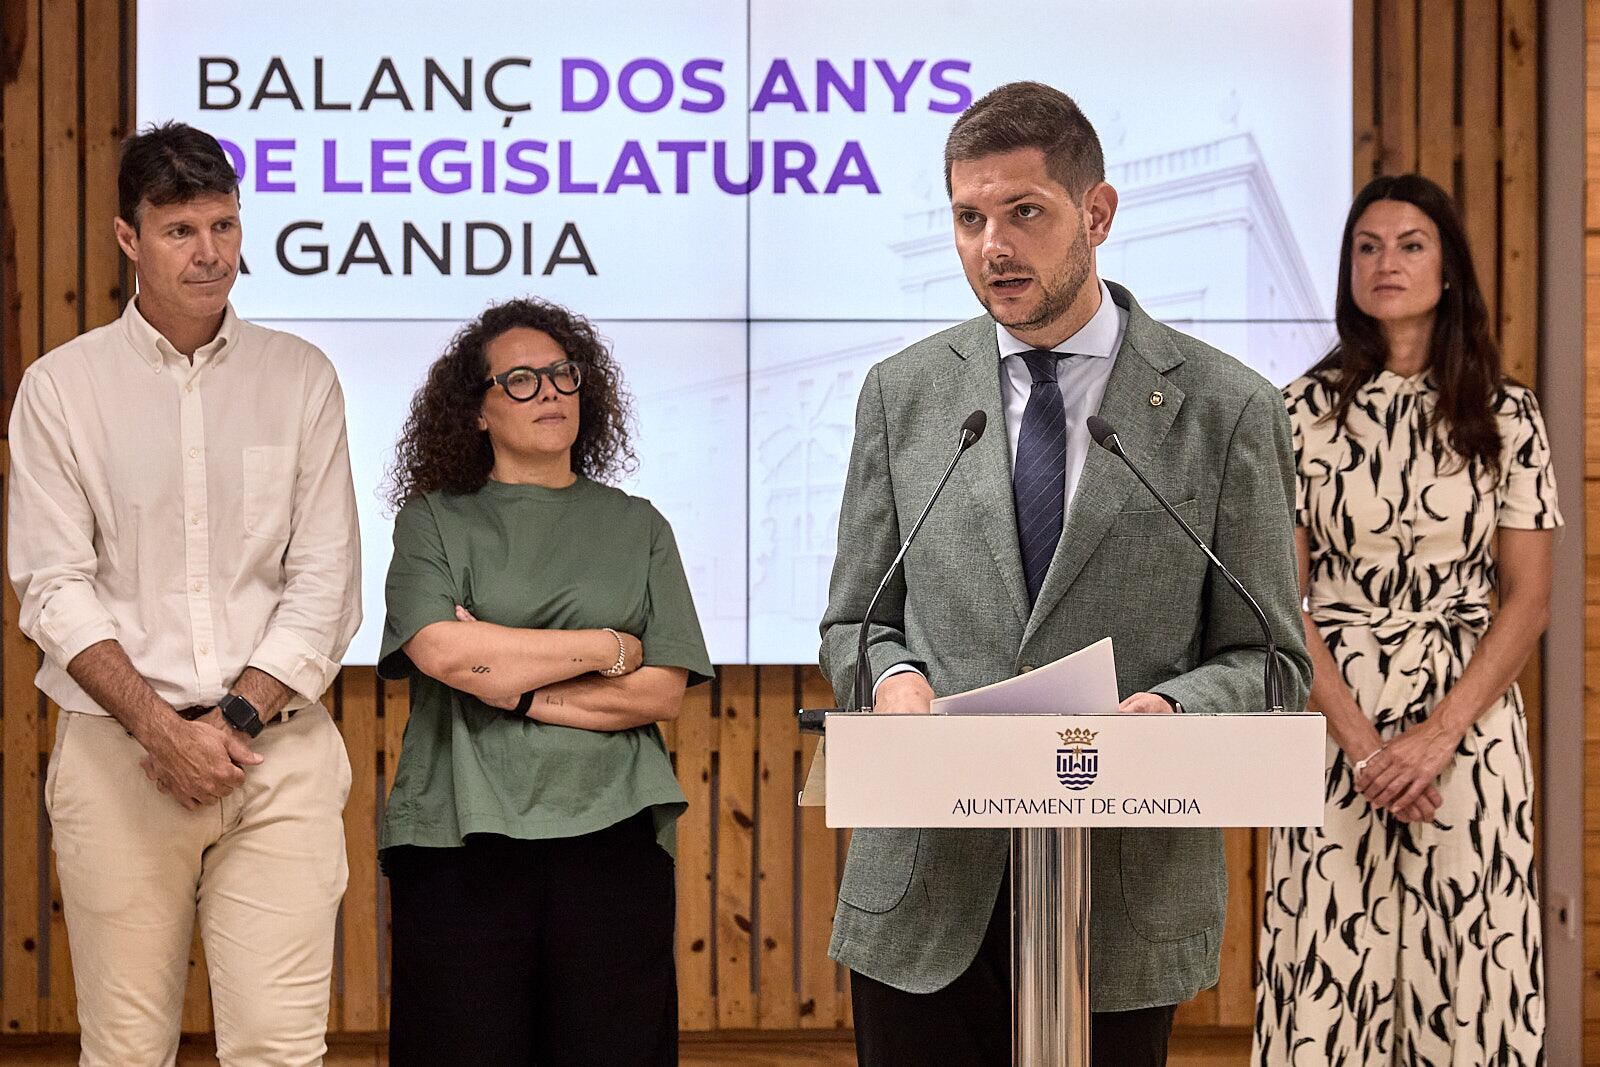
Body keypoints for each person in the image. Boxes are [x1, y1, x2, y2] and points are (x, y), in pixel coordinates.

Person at [818, 81, 1311, 1067]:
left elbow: (1268, 659)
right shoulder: (902, 396)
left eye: (1023, 213)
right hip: (925, 892)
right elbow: (854, 625)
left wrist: (1170, 713)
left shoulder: (1227, 408)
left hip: (1116, 896)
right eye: (967, 217)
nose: (991, 247)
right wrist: (893, 679)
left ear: (1096, 213)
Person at [6, 121, 361, 1065]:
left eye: (225, 225)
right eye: (180, 231)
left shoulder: (302, 379)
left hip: (275, 755)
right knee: (125, 1051)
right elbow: (52, 586)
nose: (211, 254)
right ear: (129, 238)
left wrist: (232, 721)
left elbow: (326, 579)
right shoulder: (60, 389)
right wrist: (166, 733)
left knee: (281, 1050)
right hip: (120, 760)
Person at [1254, 174, 1558, 1064]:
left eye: (1411, 243)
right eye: (1367, 246)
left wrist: (1434, 737)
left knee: (1472, 963)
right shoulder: (1296, 413)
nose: (1387, 262)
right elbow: (1283, 599)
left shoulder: (1509, 415)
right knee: (1326, 959)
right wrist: (1365, 746)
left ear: (1449, 268)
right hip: (1331, 714)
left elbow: (1529, 599)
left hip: (1471, 719)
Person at [376, 296, 713, 1066]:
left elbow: (661, 693)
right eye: (520, 380)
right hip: (461, 839)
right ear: (477, 412)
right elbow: (442, 654)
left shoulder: (639, 525)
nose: (551, 391)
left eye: (562, 374)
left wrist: (515, 683)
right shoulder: (432, 519)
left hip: (611, 840)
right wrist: (606, 644)